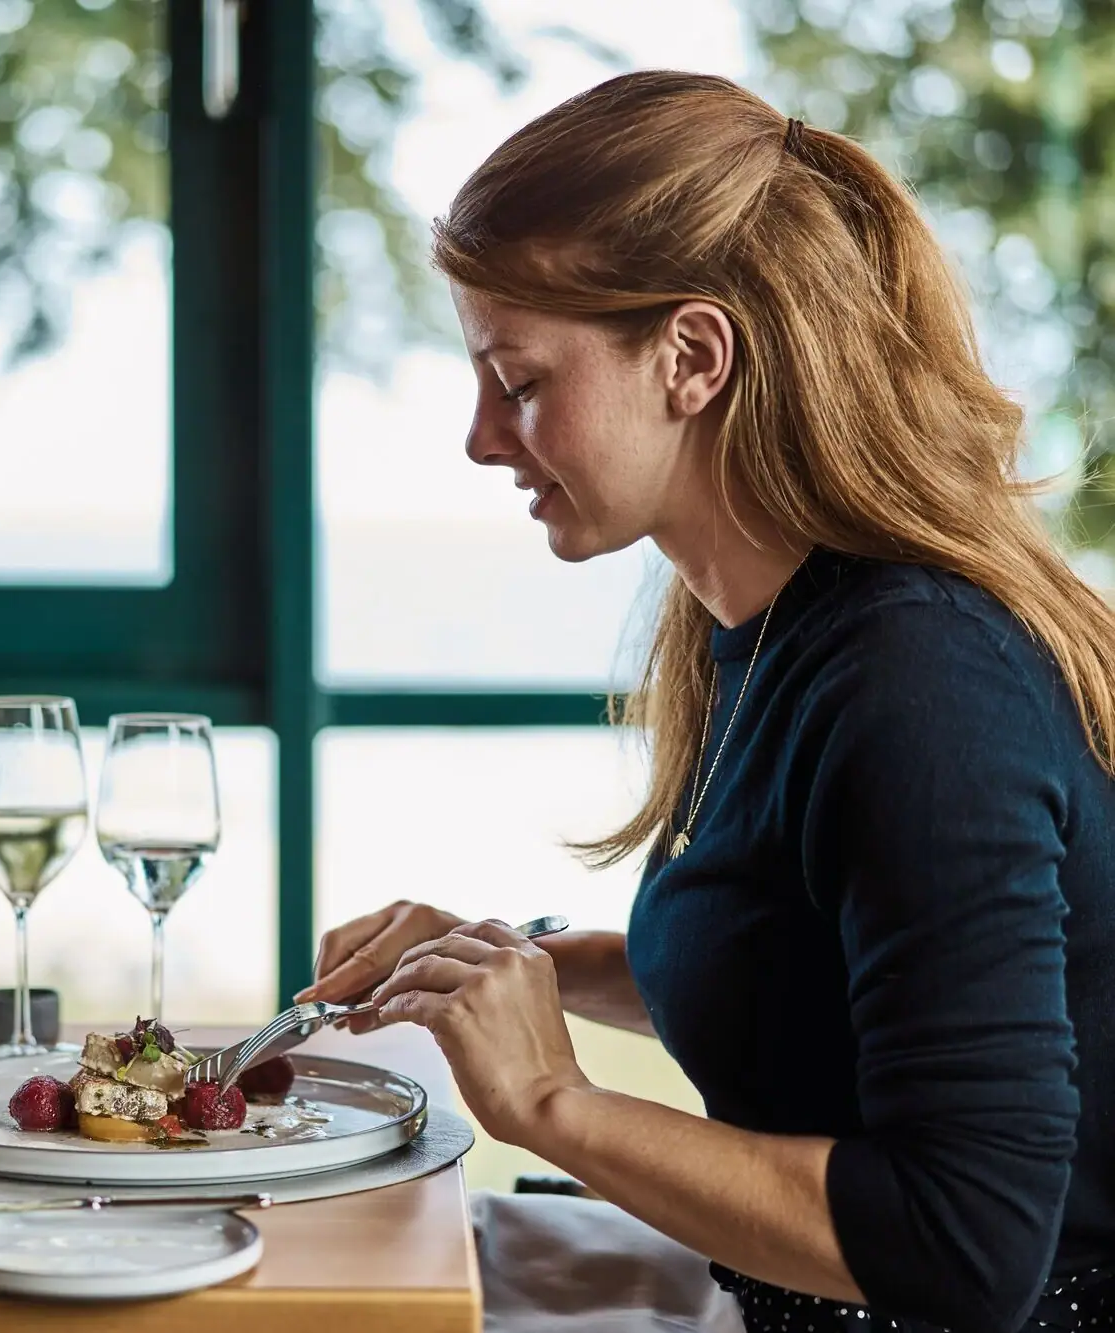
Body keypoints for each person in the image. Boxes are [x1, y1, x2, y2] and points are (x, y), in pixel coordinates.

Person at [295, 70, 1115, 1332]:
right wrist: (517, 967)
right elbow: (806, 971)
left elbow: (966, 1243)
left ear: (690, 357)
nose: (477, 437)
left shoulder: (918, 686)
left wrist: (551, 1101)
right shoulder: (762, 623)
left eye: (515, 381)